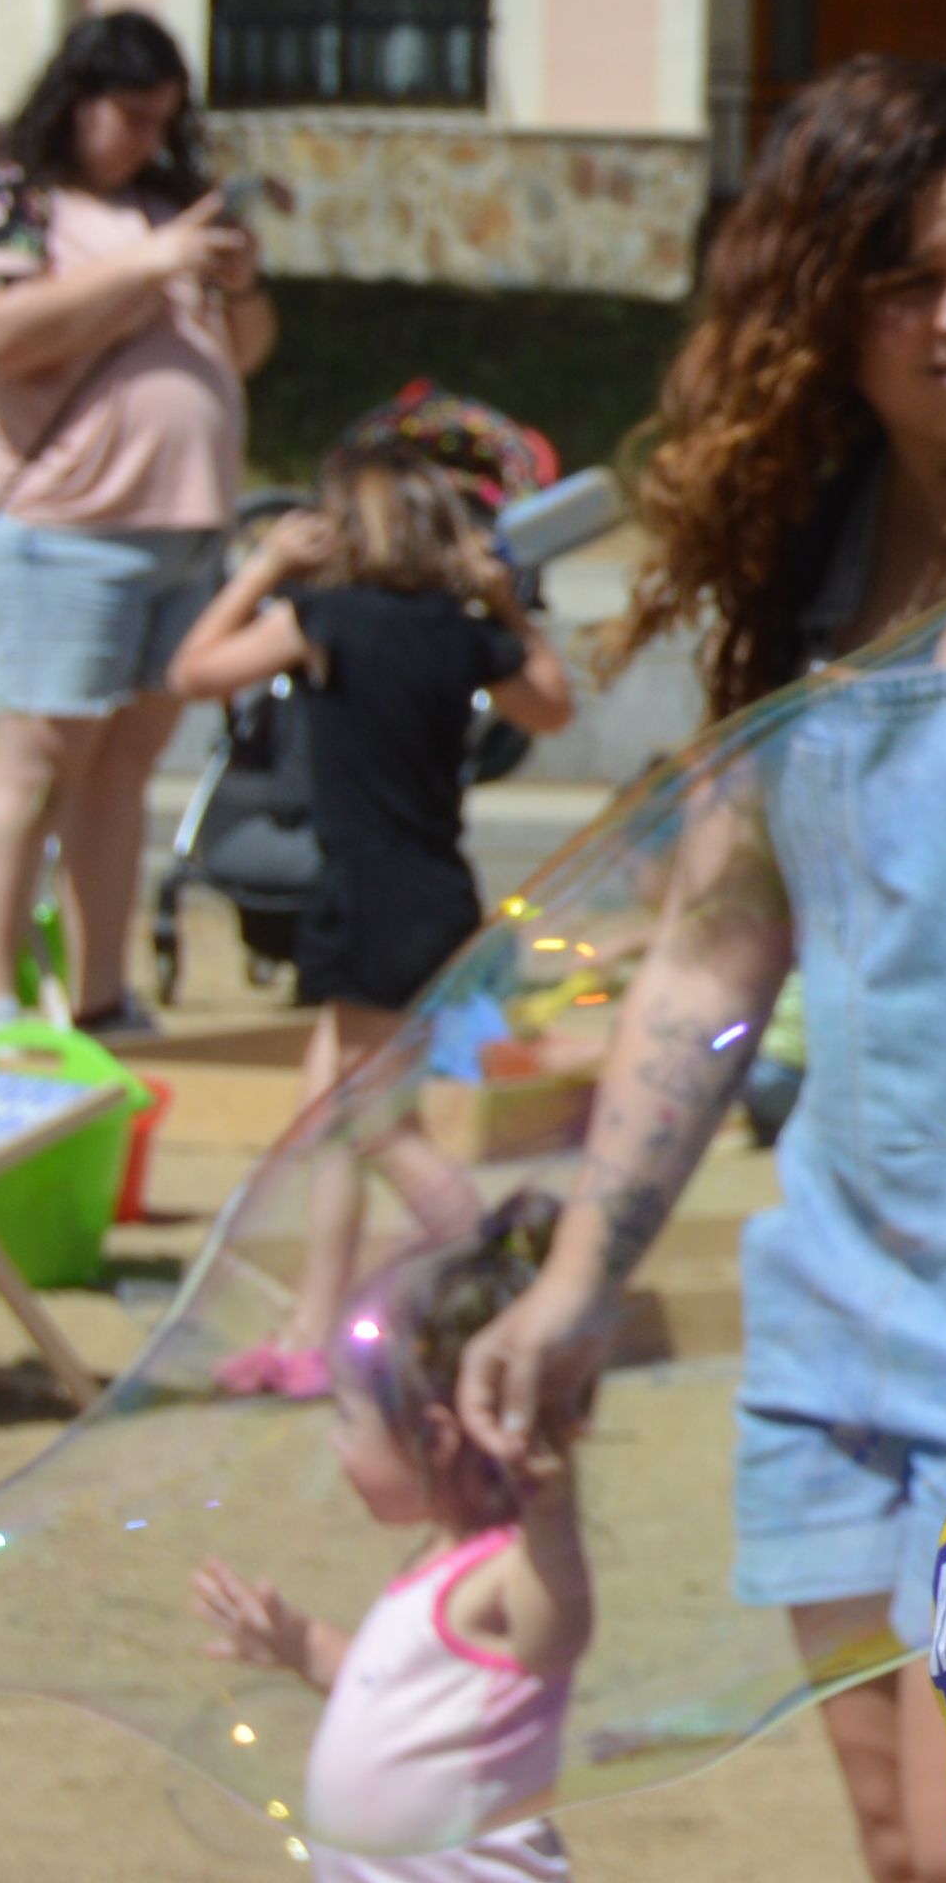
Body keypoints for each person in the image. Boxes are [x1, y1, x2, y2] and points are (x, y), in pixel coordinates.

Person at [452, 57, 946, 1883]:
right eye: (909, 273)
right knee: (902, 1843)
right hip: (835, 1316)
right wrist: (577, 1284)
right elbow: (711, 955)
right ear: (825, 307)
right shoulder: (794, 585)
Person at [171, 434, 581, 1378]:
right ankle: (315, 1335)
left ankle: (498, 1265)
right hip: (436, 892)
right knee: (334, 1120)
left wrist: (265, 568)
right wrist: (504, 600)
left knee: (367, 1126)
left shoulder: (324, 616)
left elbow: (196, 671)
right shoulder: (459, 627)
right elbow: (552, 707)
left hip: (365, 897)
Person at [0, 5, 275, 1035]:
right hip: (65, 532)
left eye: (162, 121)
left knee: (123, 767)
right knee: (35, 762)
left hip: (185, 533)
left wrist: (237, 279)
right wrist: (143, 265)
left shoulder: (166, 205)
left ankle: (99, 994)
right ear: (76, 102)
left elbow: (248, 348)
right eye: (129, 117)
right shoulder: (10, 201)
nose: (145, 140)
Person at [189, 1194, 597, 1883]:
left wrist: (550, 1498)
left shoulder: (504, 1570)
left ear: (435, 1437)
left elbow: (558, 1632)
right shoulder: (440, 1561)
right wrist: (305, 1646)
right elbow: (403, 1692)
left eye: (348, 1419)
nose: (335, 1442)